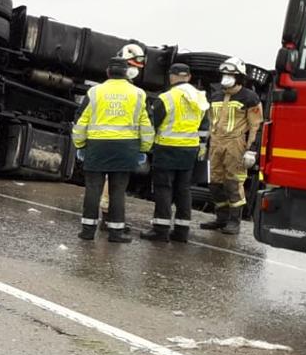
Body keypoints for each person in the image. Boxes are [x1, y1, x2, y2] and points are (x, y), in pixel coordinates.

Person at [74, 56, 155, 242]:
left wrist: (80, 145)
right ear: (126, 73)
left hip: (97, 147)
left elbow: (81, 121)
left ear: (108, 72)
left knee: (93, 189)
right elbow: (146, 124)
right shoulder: (139, 94)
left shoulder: (95, 92)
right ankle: (116, 233)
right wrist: (143, 149)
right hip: (126, 148)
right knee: (117, 191)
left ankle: (87, 231)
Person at [139, 63, 209, 243]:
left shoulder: (166, 98)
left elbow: (153, 123)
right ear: (189, 77)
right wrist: (200, 149)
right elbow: (204, 128)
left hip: (167, 149)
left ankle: (160, 230)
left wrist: (145, 145)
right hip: (189, 151)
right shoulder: (200, 98)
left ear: (172, 76)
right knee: (184, 190)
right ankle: (181, 231)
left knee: (163, 189)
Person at [201, 57, 262, 235]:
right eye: (225, 74)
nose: (226, 77)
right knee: (214, 182)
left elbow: (256, 126)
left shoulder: (249, 97)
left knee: (233, 183)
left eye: (231, 74)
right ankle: (221, 218)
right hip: (216, 144)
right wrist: (205, 144)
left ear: (239, 77)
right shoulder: (216, 94)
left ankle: (234, 221)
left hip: (236, 144)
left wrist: (252, 150)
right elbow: (210, 121)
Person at [99, 43, 146, 229]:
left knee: (112, 184)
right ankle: (109, 220)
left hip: (111, 141)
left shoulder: (122, 88)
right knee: (113, 184)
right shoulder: (129, 91)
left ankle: (108, 218)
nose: (135, 70)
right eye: (132, 66)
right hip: (119, 143)